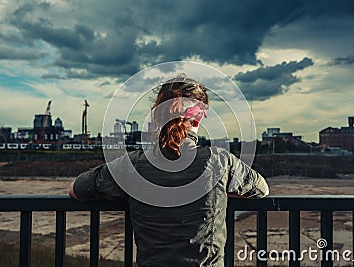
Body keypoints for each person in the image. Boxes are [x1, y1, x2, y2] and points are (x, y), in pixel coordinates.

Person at [69, 75, 269, 267]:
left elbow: (76, 189)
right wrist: (220, 188)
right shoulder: (220, 161)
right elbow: (262, 189)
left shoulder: (131, 165)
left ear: (157, 117)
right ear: (198, 119)